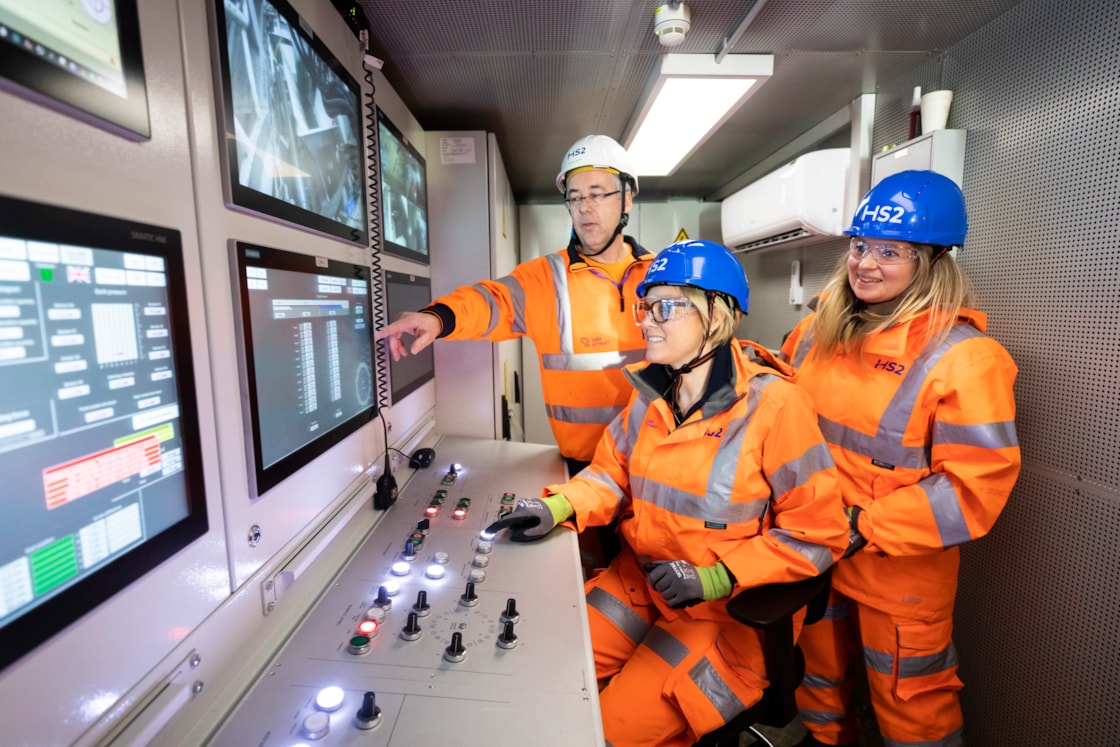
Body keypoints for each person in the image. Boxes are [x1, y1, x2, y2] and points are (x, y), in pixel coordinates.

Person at [485, 239, 849, 747]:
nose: (647, 321)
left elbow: (820, 534)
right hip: (643, 584)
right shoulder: (653, 396)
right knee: (536, 675)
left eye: (667, 307)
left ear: (717, 315)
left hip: (724, 616)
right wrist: (559, 504)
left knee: (603, 734)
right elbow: (609, 475)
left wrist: (719, 578)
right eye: (645, 306)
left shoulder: (776, 408)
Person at [780, 170, 1021, 747]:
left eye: (889, 251)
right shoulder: (816, 332)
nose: (864, 263)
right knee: (818, 684)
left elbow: (973, 490)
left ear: (932, 262)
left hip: (900, 574)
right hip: (815, 551)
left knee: (913, 711)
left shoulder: (966, 360)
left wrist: (865, 523)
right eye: (860, 245)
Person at [378, 134, 653, 570]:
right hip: (581, 471)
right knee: (593, 582)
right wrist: (438, 318)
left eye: (598, 194)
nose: (585, 207)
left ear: (627, 199)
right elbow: (490, 301)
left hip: (654, 470)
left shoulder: (661, 277)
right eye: (576, 196)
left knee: (653, 581)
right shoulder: (546, 279)